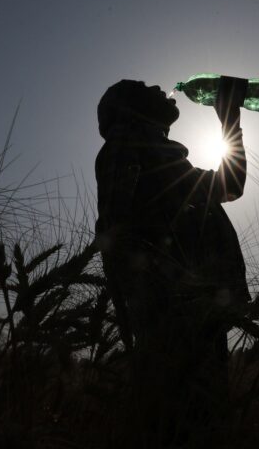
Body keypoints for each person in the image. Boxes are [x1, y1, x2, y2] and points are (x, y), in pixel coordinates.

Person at [95, 77, 249, 448]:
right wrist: (151, 295)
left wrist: (229, 119)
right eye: (144, 88)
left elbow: (230, 185)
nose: (158, 88)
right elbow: (115, 231)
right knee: (183, 420)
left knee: (205, 419)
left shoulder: (171, 163)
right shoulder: (125, 145)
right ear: (130, 110)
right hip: (173, 313)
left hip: (200, 309)